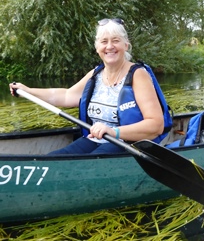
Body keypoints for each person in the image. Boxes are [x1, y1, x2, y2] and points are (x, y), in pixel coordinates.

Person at [9, 18, 165, 154]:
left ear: (126, 45)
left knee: (90, 162)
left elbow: (156, 125)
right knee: (56, 158)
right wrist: (28, 91)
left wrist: (113, 131)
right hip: (96, 139)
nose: (109, 46)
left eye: (115, 40)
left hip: (128, 143)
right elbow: (66, 96)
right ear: (97, 48)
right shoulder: (96, 74)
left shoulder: (138, 75)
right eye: (104, 41)